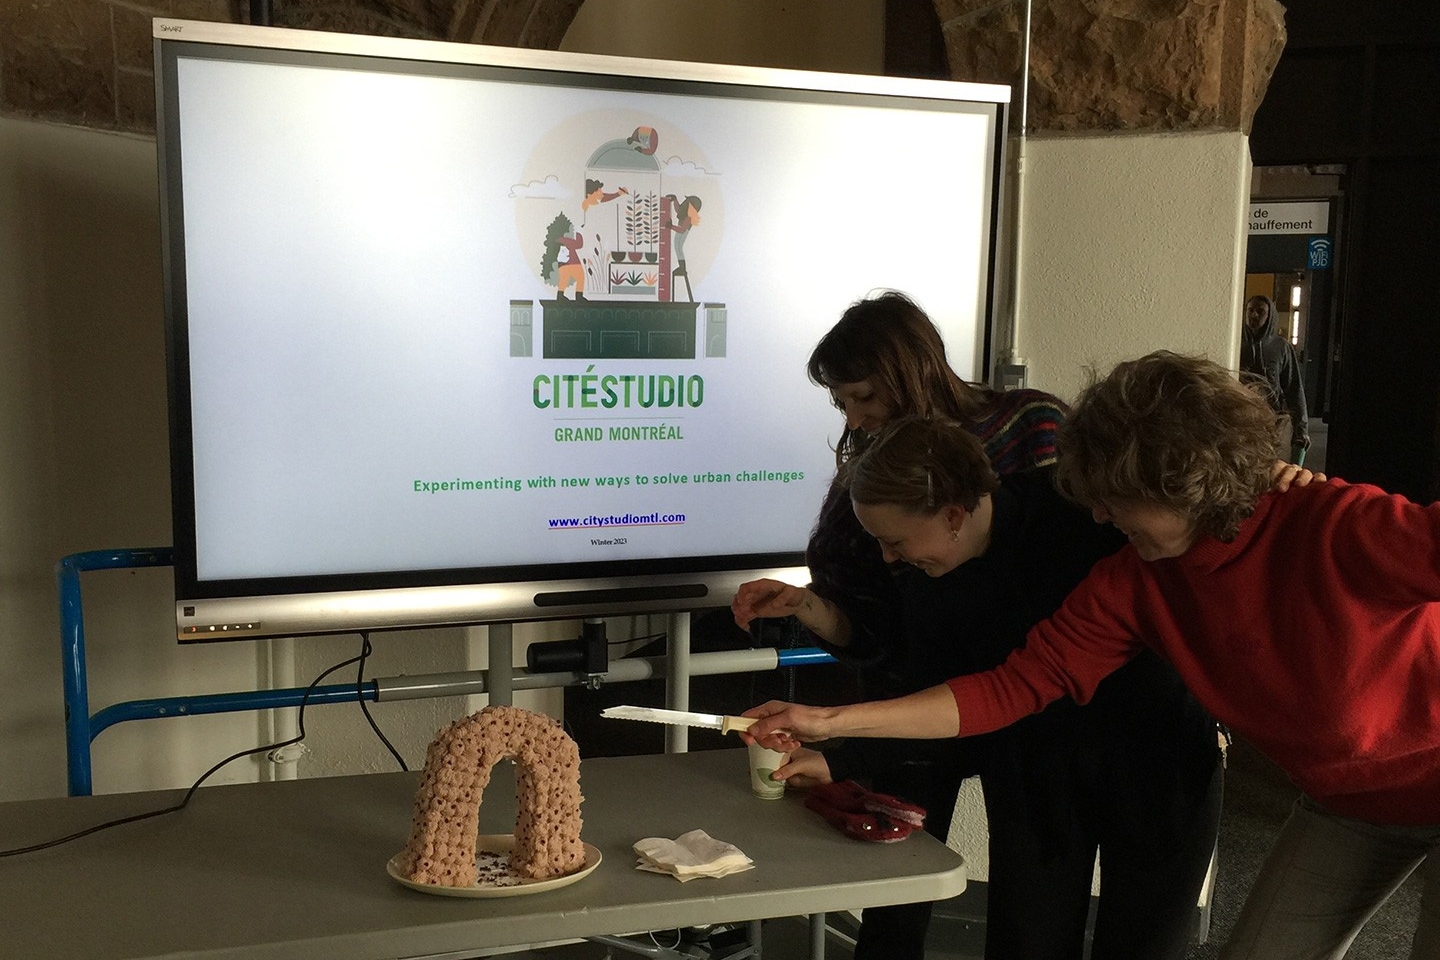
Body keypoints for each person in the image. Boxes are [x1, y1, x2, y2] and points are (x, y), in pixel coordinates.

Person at [743, 351, 1440, 960]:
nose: (1099, 517)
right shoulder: (1133, 579)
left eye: (1113, 499)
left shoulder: (1332, 524)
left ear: (1181, 478)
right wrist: (830, 723)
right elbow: (1010, 687)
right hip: (1347, 805)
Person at [747, 291, 1216, 960]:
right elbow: (947, 697)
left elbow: (1205, 552)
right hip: (1033, 760)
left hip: (1155, 753)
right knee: (1026, 939)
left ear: (953, 513)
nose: (889, 560)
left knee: (1145, 944)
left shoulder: (1085, 521)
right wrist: (838, 751)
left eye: (896, 543)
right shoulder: (931, 581)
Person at [1241, 294, 1309, 463]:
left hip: (1272, 421)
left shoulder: (1281, 347)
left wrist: (1301, 430)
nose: (1254, 315)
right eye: (1250, 310)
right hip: (1239, 420)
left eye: (1260, 311)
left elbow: (1294, 389)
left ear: (1270, 315)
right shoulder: (1235, 343)